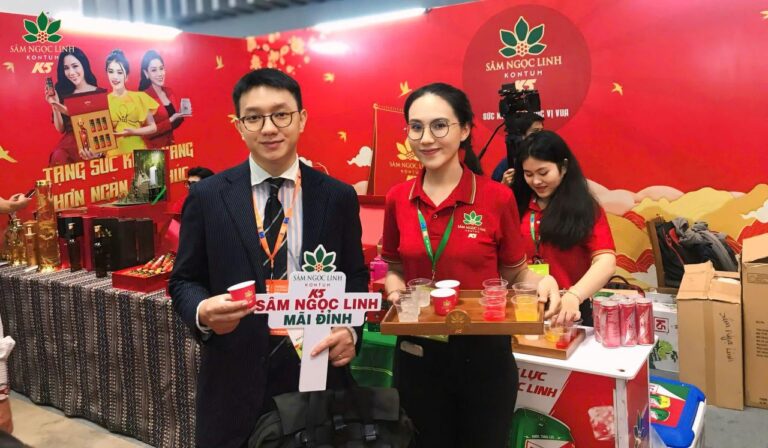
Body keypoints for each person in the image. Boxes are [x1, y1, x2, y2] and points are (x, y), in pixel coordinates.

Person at [169, 68, 368, 448]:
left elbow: (355, 276)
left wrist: (350, 331)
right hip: (232, 378)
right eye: (254, 117)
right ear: (239, 126)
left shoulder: (337, 197)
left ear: (301, 119)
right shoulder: (208, 197)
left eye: (281, 114)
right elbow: (183, 280)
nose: (269, 128)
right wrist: (202, 312)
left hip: (315, 374)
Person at [381, 83, 560, 447]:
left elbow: (515, 272)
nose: (426, 138)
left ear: (464, 129)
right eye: (416, 127)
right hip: (417, 354)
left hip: (485, 357)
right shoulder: (398, 198)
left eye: (439, 126)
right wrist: (395, 288)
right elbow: (394, 267)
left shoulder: (496, 197)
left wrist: (545, 282)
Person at [511, 130, 616, 325]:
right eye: (528, 174)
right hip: (523, 307)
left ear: (564, 167)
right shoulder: (514, 205)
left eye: (543, 173)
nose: (536, 181)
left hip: (570, 310)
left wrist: (575, 295)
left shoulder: (585, 208)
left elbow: (606, 260)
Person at [46, 47, 106, 166]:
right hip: (67, 149)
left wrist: (99, 151)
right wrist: (54, 104)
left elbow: (102, 127)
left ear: (83, 65)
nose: (71, 72)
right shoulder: (64, 93)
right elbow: (61, 129)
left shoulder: (98, 92)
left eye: (75, 66)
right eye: (66, 68)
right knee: (59, 157)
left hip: (93, 145)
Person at [105, 50, 159, 157]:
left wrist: (133, 131)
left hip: (138, 153)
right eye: (111, 71)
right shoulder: (103, 102)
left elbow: (153, 127)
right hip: (113, 156)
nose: (115, 77)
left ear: (127, 76)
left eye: (120, 72)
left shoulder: (139, 97)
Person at [139, 50, 186, 148]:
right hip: (153, 151)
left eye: (161, 68)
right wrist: (170, 120)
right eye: (154, 70)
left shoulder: (169, 92)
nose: (160, 74)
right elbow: (147, 133)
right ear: (146, 73)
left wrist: (181, 115)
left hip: (172, 146)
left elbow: (174, 122)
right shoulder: (143, 97)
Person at [491, 111, 544, 186]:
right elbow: (494, 190)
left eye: (542, 131)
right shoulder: (507, 165)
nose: (541, 135)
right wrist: (503, 186)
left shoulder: (550, 157)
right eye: (535, 131)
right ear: (521, 136)